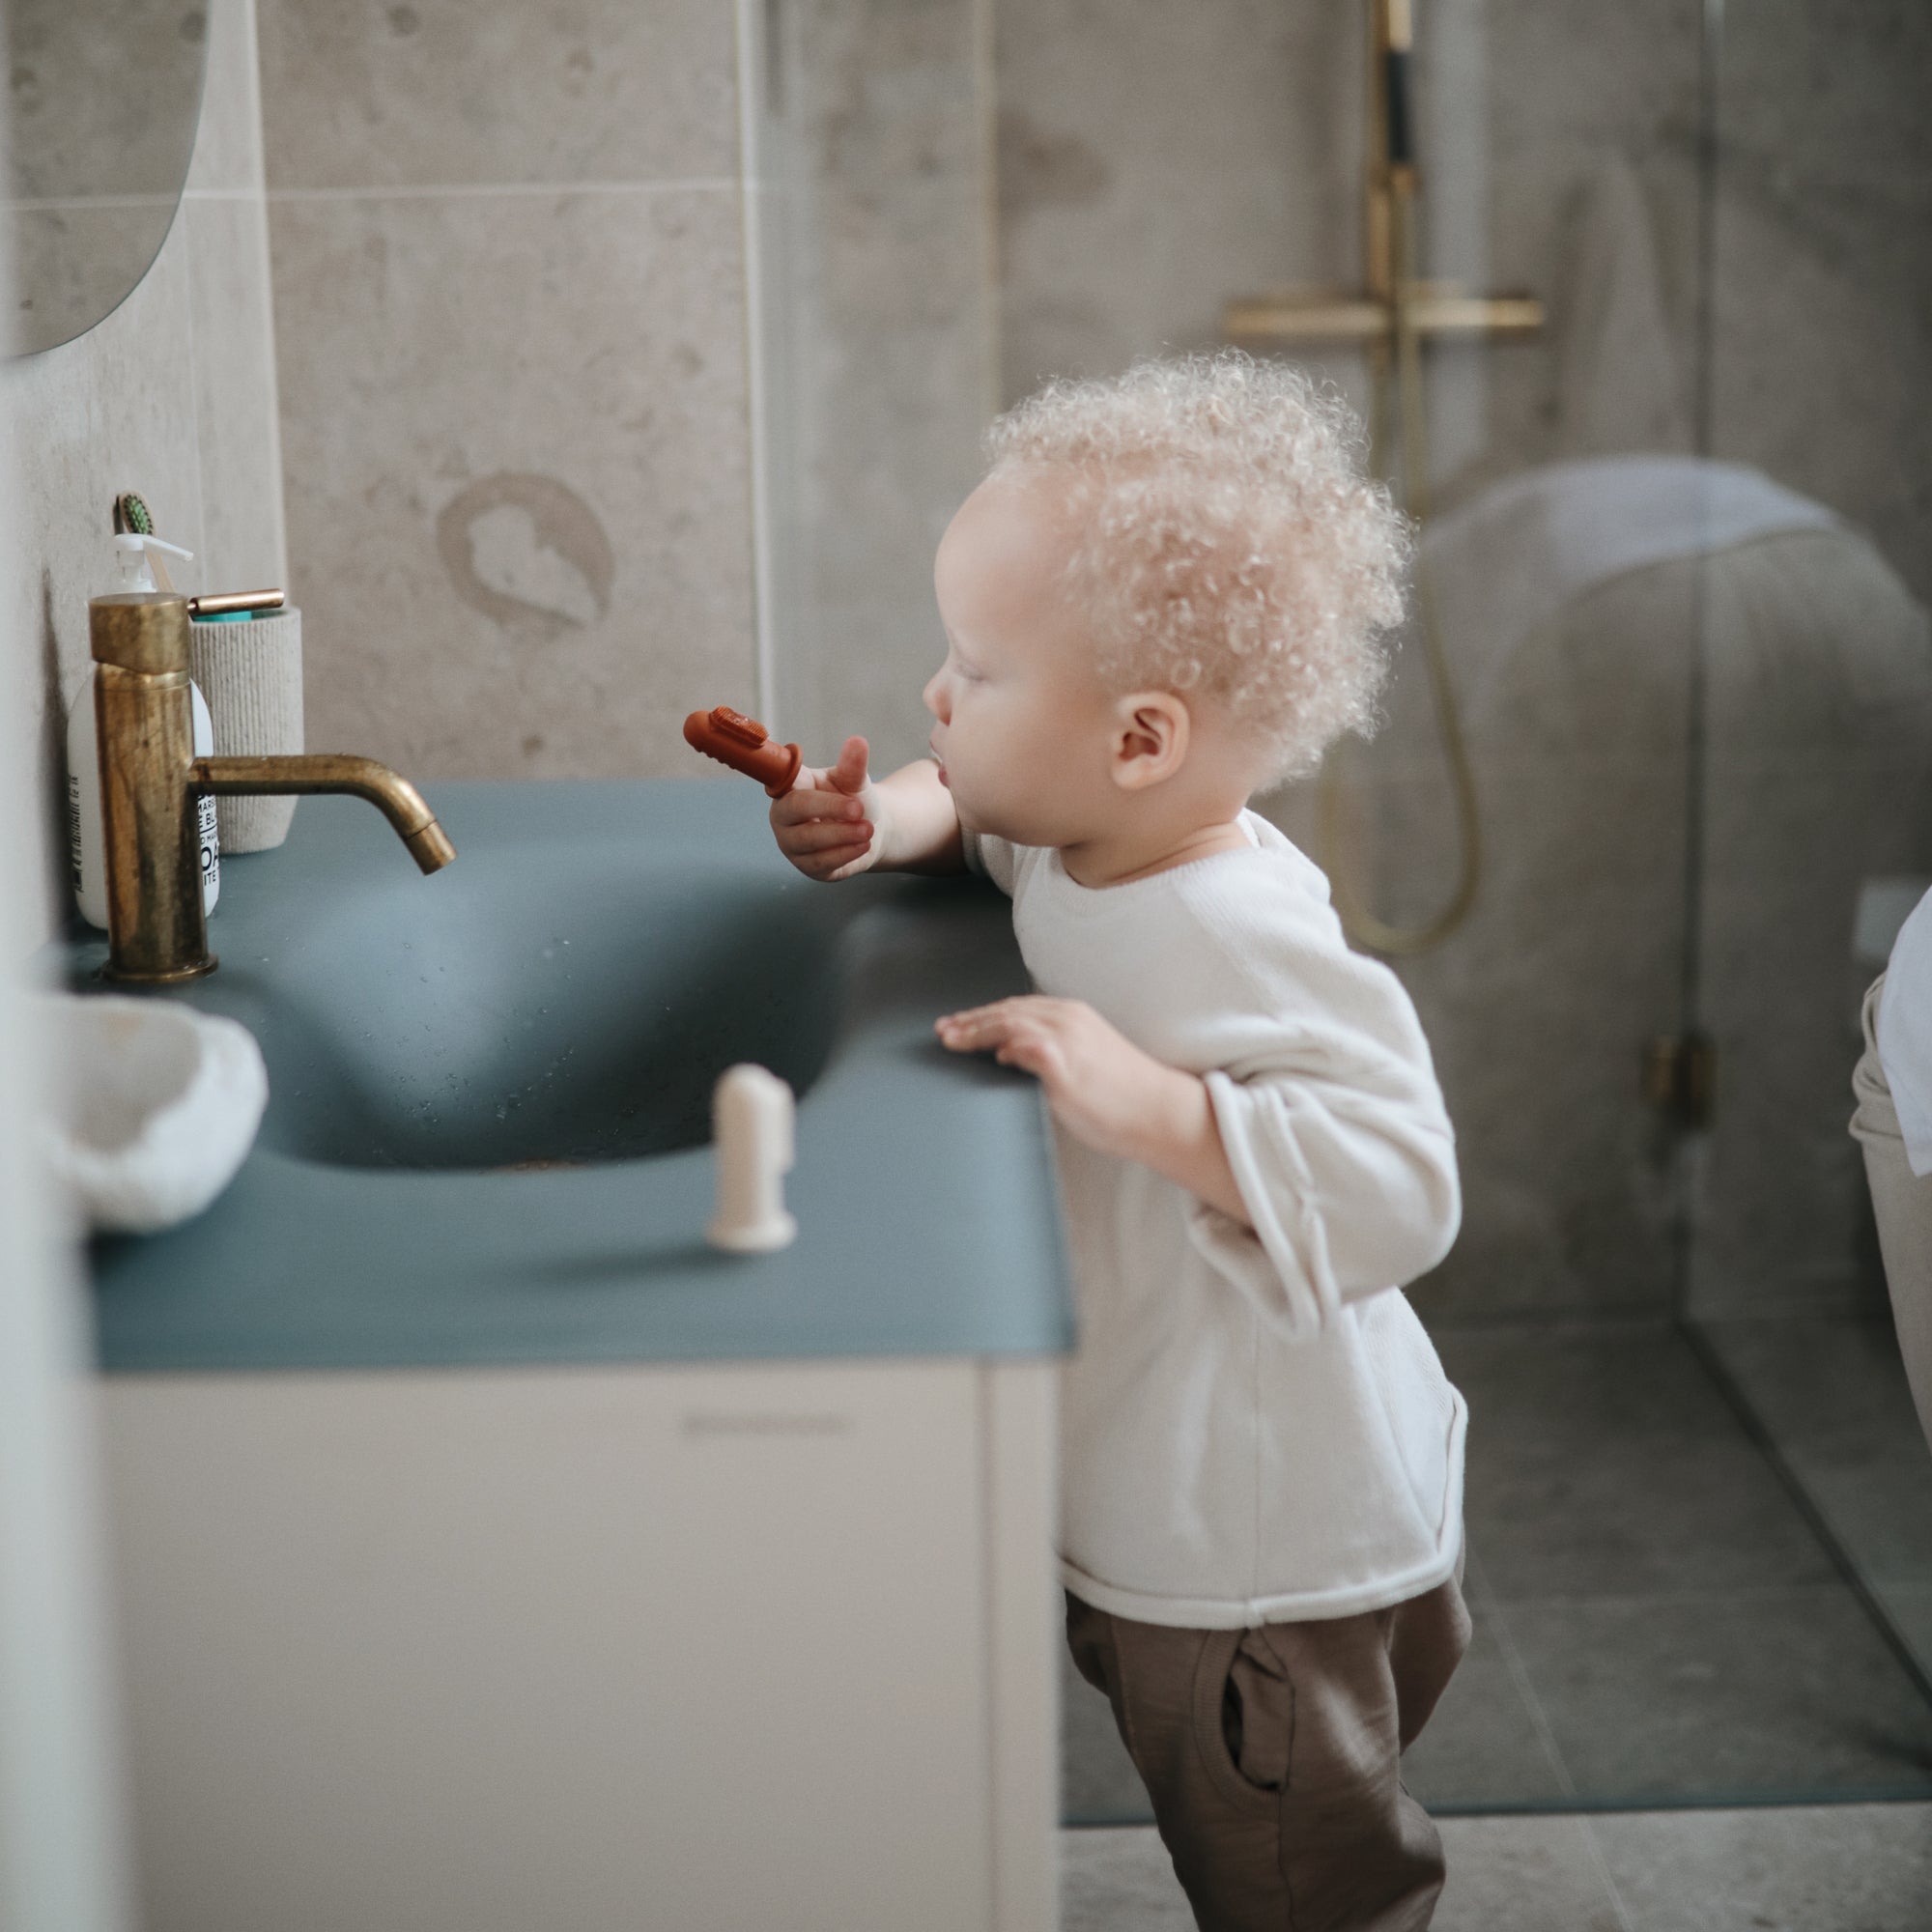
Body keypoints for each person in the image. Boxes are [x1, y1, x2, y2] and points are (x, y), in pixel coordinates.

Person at [769, 352, 1469, 1932]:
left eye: (976, 667)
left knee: (1305, 1894)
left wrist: (1157, 1109)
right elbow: (987, 814)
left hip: (1266, 1559)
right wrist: (880, 822)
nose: (936, 697)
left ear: (1142, 736)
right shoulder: (1104, 837)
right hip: (1204, 1482)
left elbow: (1404, 1180)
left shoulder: (1225, 922)